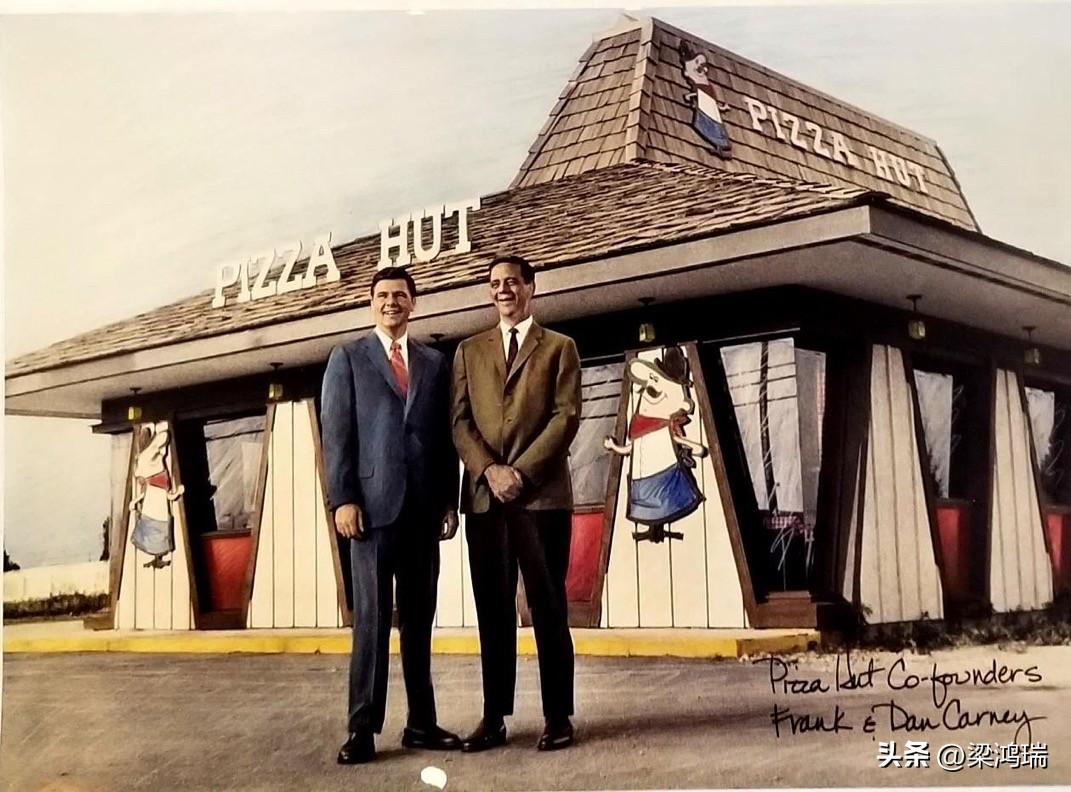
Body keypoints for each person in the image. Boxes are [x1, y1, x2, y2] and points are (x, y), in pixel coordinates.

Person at [321, 266, 461, 765]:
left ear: (413, 303)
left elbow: (445, 438)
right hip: (371, 514)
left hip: (423, 512)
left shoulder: (435, 363)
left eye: (400, 295)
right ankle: (362, 728)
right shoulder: (348, 358)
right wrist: (343, 498)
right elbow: (336, 434)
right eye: (382, 295)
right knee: (372, 624)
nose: (391, 303)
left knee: (419, 623)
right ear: (371, 303)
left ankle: (421, 723)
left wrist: (449, 501)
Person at [450, 254, 582, 752]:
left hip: (541, 498)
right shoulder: (468, 351)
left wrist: (520, 473)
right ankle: (493, 717)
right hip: (486, 500)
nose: (503, 290)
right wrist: (490, 470)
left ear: (530, 287)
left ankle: (558, 716)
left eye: (512, 282)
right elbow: (459, 422)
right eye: (495, 284)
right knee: (493, 611)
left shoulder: (560, 347)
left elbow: (566, 417)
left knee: (548, 607)